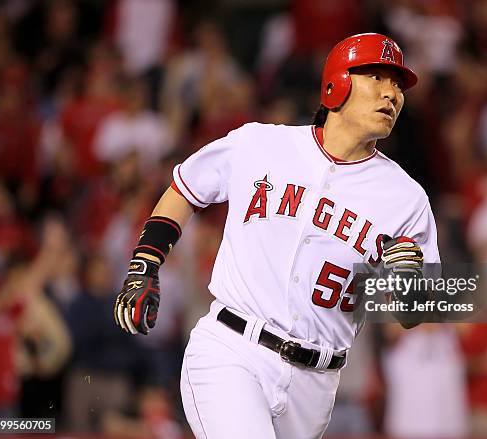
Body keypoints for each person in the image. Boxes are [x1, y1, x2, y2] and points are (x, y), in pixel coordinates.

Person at [113, 33, 440, 439]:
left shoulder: (405, 198)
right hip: (233, 350)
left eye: (398, 86)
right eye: (377, 77)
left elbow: (412, 314)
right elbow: (186, 188)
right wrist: (145, 263)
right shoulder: (261, 143)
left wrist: (408, 284)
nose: (391, 94)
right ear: (337, 83)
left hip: (316, 384)